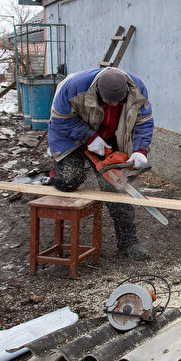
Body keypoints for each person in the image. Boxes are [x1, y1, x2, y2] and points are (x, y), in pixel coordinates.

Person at [45, 66, 154, 260]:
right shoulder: (73, 88)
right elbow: (60, 119)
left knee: (117, 189)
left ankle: (129, 243)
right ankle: (56, 176)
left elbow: (144, 122)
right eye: (108, 101)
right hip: (72, 136)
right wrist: (88, 136)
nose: (113, 104)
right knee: (71, 178)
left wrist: (140, 150)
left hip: (110, 136)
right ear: (97, 93)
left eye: (117, 102)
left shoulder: (137, 89)